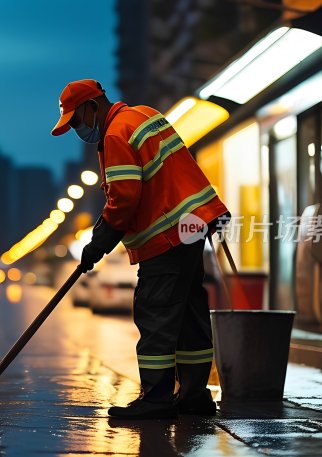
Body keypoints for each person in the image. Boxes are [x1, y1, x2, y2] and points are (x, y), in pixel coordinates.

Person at [51, 79, 229, 419]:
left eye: (77, 121)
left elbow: (124, 199)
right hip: (192, 229)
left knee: (156, 313)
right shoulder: (144, 115)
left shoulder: (116, 134)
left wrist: (99, 242)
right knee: (190, 316)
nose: (78, 129)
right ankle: (193, 396)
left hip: (166, 236)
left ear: (92, 106)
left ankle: (156, 399)